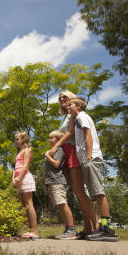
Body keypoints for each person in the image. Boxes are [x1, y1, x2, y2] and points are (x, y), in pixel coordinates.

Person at [67, 98, 118, 242]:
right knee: (95, 192)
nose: (68, 107)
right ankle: (103, 229)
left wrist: (88, 156)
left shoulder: (82, 116)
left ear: (78, 106)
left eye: (70, 105)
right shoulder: (77, 118)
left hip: (91, 158)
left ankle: (107, 229)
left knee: (98, 192)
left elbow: (88, 135)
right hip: (87, 159)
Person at [47, 91, 96, 239]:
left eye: (65, 97)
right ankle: (87, 228)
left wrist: (55, 146)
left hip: (73, 151)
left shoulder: (73, 113)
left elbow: (69, 134)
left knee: (80, 191)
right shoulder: (66, 116)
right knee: (77, 192)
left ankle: (97, 227)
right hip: (66, 152)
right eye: (60, 98)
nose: (62, 99)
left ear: (72, 99)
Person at [44, 130, 77, 239]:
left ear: (58, 140)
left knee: (62, 203)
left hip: (57, 181)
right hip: (51, 182)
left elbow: (57, 164)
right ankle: (68, 229)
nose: (50, 140)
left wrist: (47, 156)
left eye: (52, 138)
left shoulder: (59, 150)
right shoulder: (54, 150)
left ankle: (71, 230)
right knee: (60, 205)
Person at [12, 131, 38, 239]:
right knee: (23, 206)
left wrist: (19, 178)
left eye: (17, 139)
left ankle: (35, 232)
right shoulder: (18, 152)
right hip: (18, 180)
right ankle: (28, 231)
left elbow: (25, 166)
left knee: (29, 205)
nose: (16, 141)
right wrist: (13, 180)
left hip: (25, 178)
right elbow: (15, 168)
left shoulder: (27, 150)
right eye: (15, 139)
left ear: (23, 139)